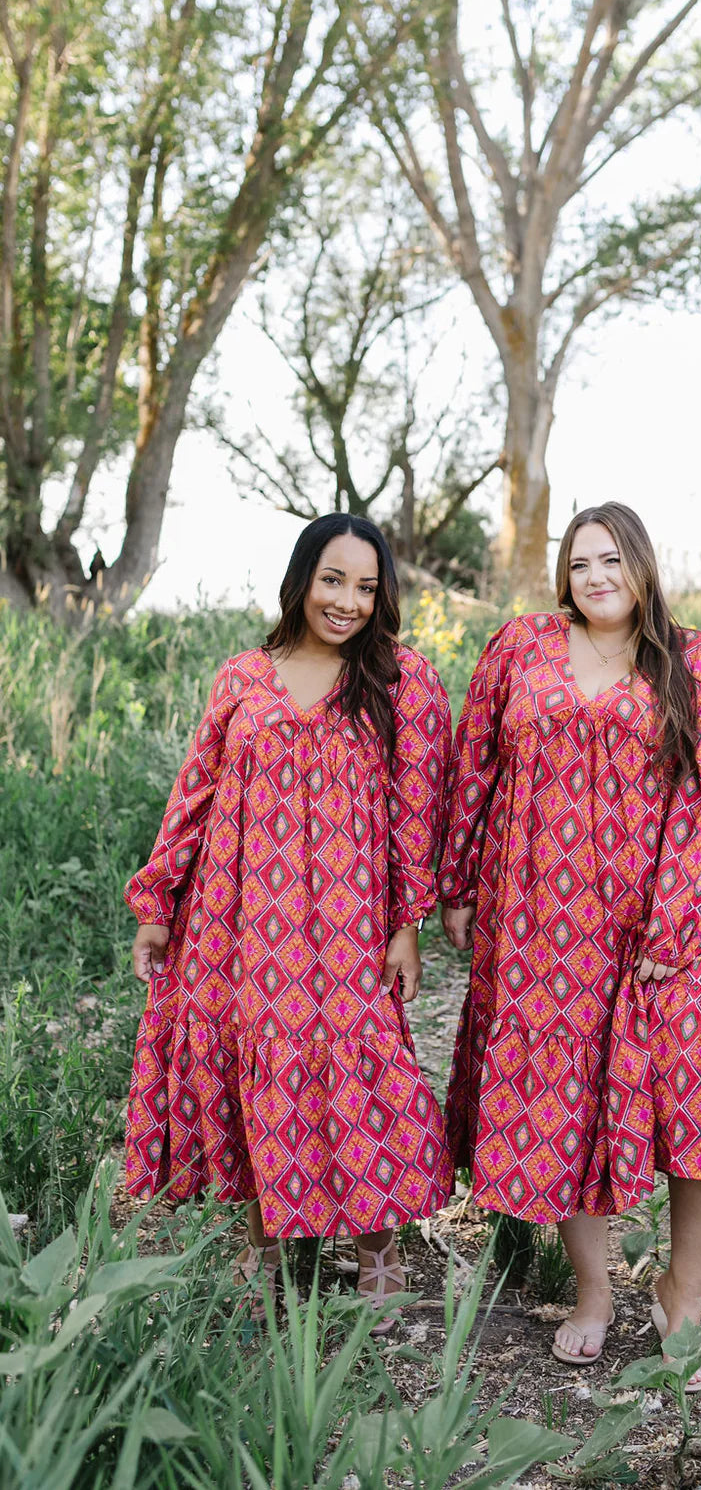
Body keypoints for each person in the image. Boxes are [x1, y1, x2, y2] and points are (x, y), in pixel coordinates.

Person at [439, 502, 701, 1384]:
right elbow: (474, 768)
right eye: (579, 564)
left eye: (612, 560)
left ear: (644, 566)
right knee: (562, 1105)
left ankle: (680, 1293)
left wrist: (673, 915)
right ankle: (594, 1292)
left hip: (666, 927)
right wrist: (458, 885)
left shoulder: (696, 660)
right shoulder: (521, 648)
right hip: (540, 919)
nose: (595, 578)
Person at [124, 513, 453, 1328]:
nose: (346, 601)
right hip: (238, 916)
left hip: (343, 915)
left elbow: (419, 811)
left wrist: (405, 921)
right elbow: (194, 792)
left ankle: (375, 1247)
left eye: (366, 587)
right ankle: (262, 1243)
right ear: (302, 577)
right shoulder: (244, 676)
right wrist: (157, 905)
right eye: (333, 580)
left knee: (363, 1064)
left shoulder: (402, 679)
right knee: (248, 1064)